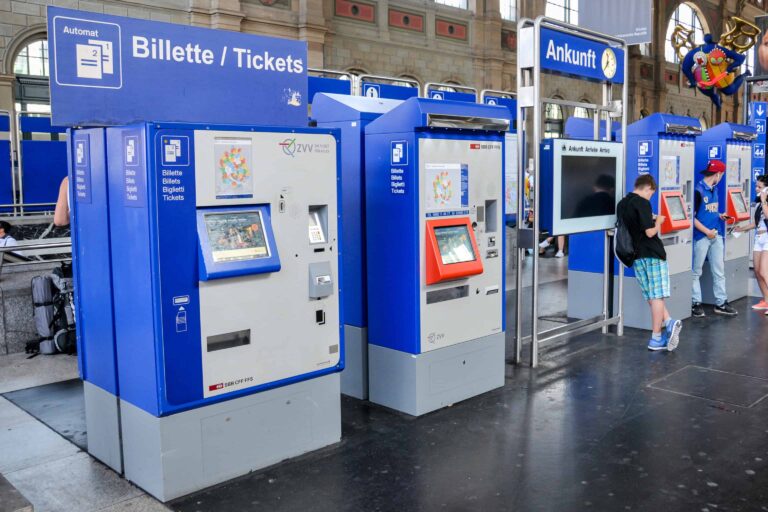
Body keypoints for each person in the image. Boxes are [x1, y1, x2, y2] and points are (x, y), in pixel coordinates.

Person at [617, 174, 682, 351]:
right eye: (651, 193)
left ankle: (669, 322)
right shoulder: (642, 202)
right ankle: (656, 338)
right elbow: (650, 233)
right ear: (647, 188)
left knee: (651, 296)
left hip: (636, 256)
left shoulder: (622, 204)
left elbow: (633, 226)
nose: (650, 196)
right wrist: (659, 221)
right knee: (657, 295)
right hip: (653, 254)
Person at [691, 160, 738, 317]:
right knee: (696, 272)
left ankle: (721, 302)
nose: (722, 177)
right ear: (718, 174)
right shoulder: (697, 191)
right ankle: (695, 302)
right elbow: (691, 218)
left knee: (719, 271)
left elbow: (708, 211)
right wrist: (706, 231)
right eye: (722, 175)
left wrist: (719, 215)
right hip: (701, 237)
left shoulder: (715, 189)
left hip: (715, 235)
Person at [735, 175, 768, 314]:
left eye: (760, 187)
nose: (756, 189)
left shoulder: (764, 201)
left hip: (767, 237)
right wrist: (741, 229)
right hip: (758, 237)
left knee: (764, 272)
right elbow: (756, 222)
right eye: (756, 186)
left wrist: (764, 200)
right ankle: (766, 300)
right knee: (757, 271)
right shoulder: (759, 202)